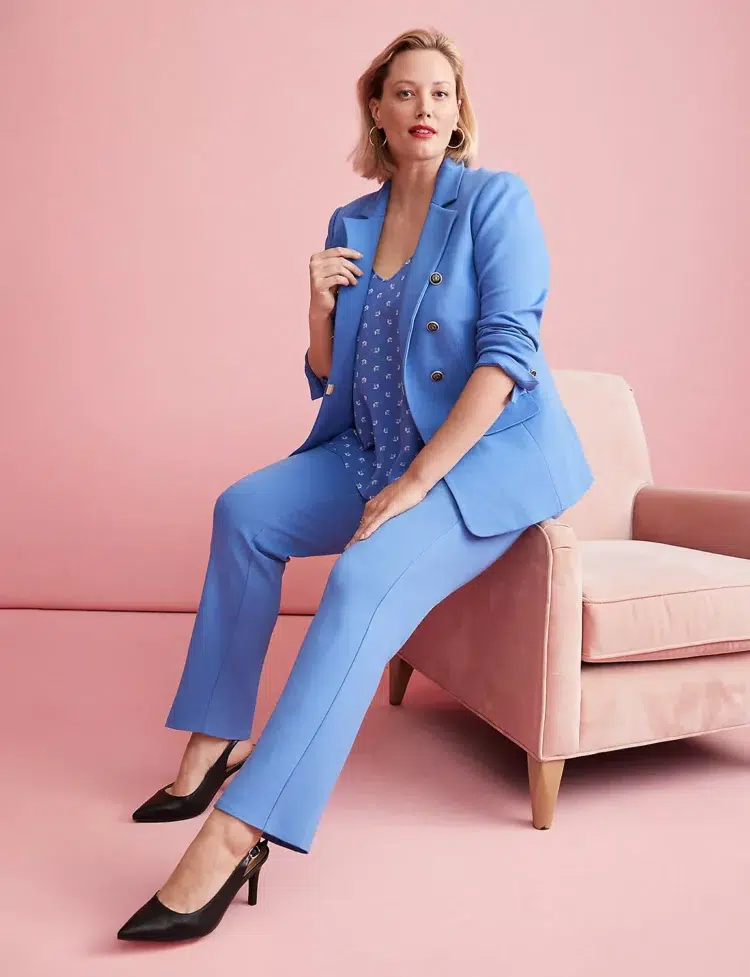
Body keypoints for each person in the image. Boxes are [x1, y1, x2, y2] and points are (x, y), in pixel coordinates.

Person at [117, 27, 594, 943]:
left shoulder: (496, 202)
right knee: (244, 511)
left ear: (460, 114)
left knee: (361, 577)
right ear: (376, 109)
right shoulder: (352, 222)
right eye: (406, 93)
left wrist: (419, 481)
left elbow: (506, 359)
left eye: (442, 95)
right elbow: (334, 372)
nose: (425, 110)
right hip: (368, 448)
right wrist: (315, 308)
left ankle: (238, 830)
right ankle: (213, 739)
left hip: (476, 460)